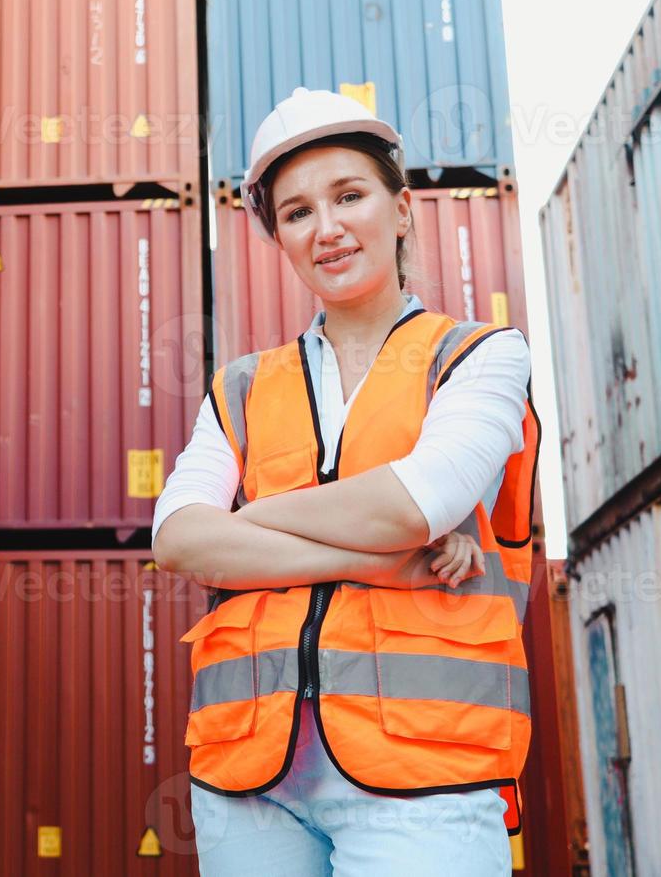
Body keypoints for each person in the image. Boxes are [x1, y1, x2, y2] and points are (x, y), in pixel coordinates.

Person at [151, 88, 541, 876]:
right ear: (280, 239)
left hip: (426, 770)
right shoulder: (241, 387)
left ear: (400, 211)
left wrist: (248, 525)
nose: (326, 228)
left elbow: (412, 505)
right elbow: (178, 539)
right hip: (247, 774)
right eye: (296, 213)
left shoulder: (479, 356)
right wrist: (371, 559)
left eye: (349, 196)